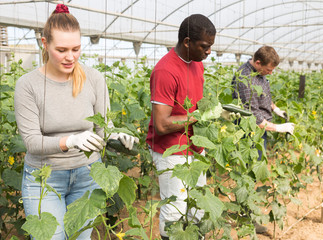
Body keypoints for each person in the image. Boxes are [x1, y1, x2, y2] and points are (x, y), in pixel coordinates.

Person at [14, 4, 138, 240]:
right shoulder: (27, 85)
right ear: (44, 44)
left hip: (87, 176)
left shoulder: (94, 79)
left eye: (76, 49)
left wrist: (116, 138)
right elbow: (31, 142)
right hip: (45, 179)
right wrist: (70, 141)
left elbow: (104, 129)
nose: (70, 57)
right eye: (61, 49)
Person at [146, 14, 216, 239]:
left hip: (194, 145)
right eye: (204, 47)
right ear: (187, 42)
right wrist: (200, 116)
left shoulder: (197, 65)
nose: (208, 52)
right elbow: (162, 124)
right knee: (176, 208)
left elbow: (196, 104)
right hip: (171, 149)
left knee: (197, 204)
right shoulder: (165, 70)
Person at [231, 46, 294, 232]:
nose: (270, 73)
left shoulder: (260, 73)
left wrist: (276, 109)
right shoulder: (244, 78)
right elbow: (252, 116)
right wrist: (278, 128)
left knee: (254, 172)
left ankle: (247, 213)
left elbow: (264, 97)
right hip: (250, 133)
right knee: (249, 174)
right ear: (258, 62)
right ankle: (246, 216)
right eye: (268, 69)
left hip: (261, 131)